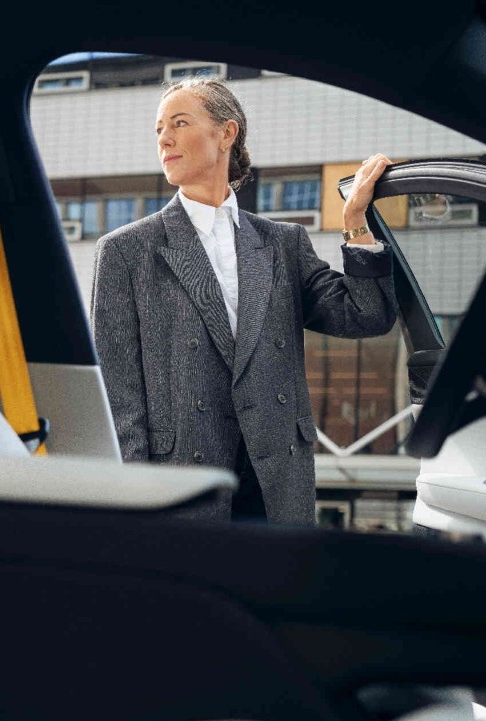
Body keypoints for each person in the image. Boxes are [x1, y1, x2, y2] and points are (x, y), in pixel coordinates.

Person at [91, 76, 398, 524]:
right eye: (159, 129)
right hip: (179, 485)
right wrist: (135, 503)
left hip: (276, 482)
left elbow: (366, 314)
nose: (165, 139)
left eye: (179, 122)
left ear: (226, 133)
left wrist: (354, 221)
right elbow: (119, 395)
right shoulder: (126, 251)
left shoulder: (282, 242)